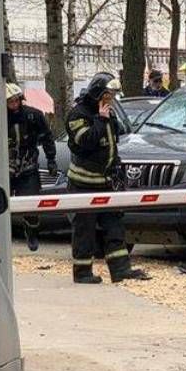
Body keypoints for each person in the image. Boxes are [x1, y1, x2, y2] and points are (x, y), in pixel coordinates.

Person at [65, 72, 151, 285]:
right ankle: (82, 272)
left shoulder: (107, 112)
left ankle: (121, 270)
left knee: (114, 226)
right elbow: (85, 142)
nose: (110, 98)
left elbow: (113, 142)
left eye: (112, 94)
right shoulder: (78, 115)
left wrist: (117, 171)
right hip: (84, 184)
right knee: (85, 229)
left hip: (107, 183)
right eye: (107, 94)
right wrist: (100, 120)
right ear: (97, 94)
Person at [0, 82, 57, 252]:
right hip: (5, 168)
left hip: (28, 168)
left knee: (31, 205)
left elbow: (47, 137)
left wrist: (51, 159)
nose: (14, 105)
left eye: (16, 101)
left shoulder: (33, 116)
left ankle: (32, 231)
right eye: (10, 102)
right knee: (0, 205)